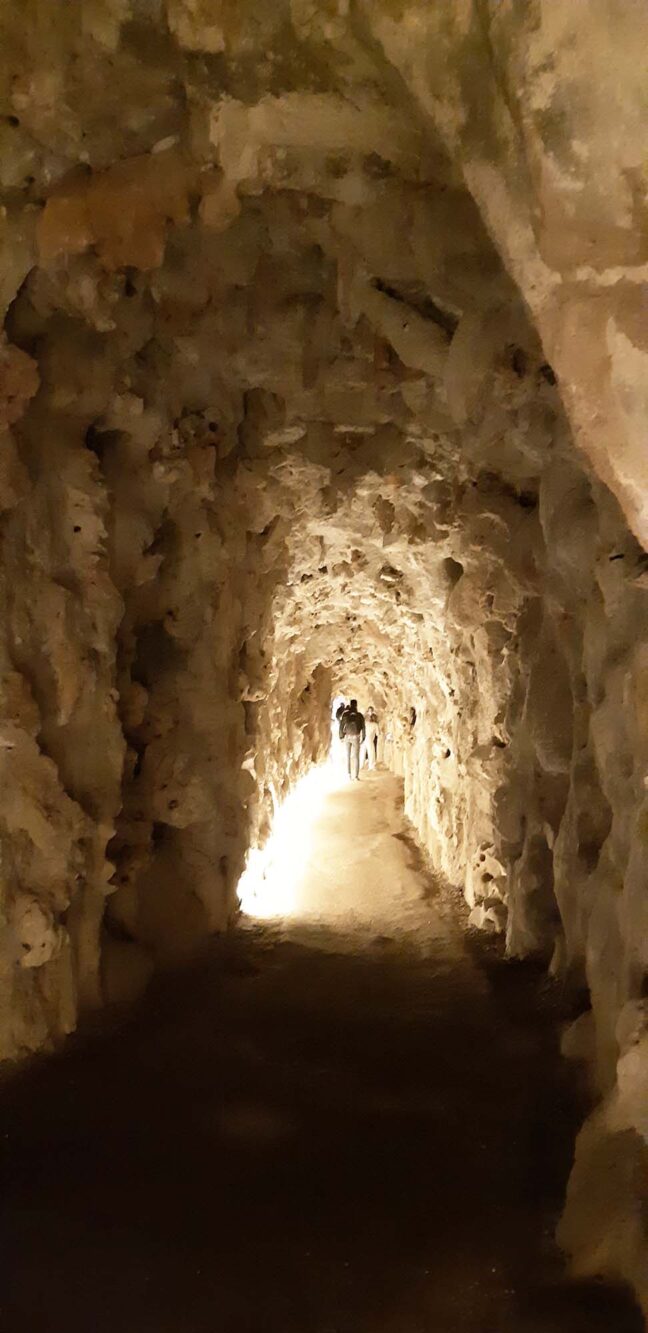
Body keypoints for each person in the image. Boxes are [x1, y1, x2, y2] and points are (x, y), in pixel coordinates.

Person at [339, 699, 365, 781]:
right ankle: (356, 776)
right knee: (356, 757)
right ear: (356, 705)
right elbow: (363, 727)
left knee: (348, 756)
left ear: (350, 705)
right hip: (356, 737)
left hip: (347, 737)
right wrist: (363, 737)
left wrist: (341, 736)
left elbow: (341, 725)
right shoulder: (359, 715)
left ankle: (348, 774)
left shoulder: (345, 714)